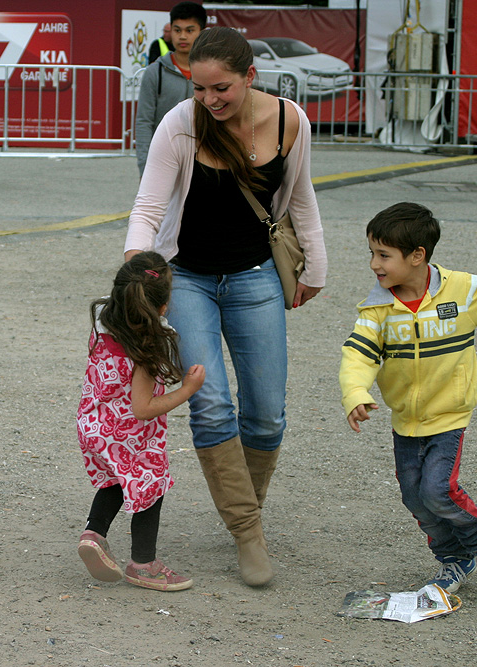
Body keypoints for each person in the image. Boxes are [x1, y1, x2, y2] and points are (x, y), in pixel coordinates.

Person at [124, 26, 327, 587]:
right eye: (199, 88)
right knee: (209, 400)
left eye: (222, 89)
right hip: (186, 276)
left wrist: (318, 267)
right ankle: (248, 534)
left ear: (250, 77)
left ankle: (245, 510)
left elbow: (301, 198)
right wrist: (138, 269)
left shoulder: (290, 122)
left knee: (266, 412)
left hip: (255, 275)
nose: (210, 100)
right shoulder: (181, 123)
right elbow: (147, 206)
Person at [339, 202, 477, 594]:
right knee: (415, 497)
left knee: (438, 490)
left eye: (383, 255)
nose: (374, 263)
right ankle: (452, 558)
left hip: (449, 416)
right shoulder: (377, 308)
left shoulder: (461, 290)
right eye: (372, 253)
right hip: (405, 420)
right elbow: (357, 356)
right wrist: (355, 393)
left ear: (417, 256)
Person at [77, 251, 206, 591]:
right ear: (161, 307)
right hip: (129, 434)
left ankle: (94, 533)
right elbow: (143, 408)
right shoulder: (146, 346)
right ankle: (144, 564)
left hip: (95, 425)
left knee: (117, 480)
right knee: (151, 484)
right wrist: (188, 389)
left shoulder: (105, 322)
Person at [134, 1, 207, 175]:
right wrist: (145, 166)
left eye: (189, 30)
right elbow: (144, 121)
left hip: (205, 162)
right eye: (177, 30)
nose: (182, 36)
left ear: (202, 32)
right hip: (163, 161)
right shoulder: (155, 72)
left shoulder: (210, 72)